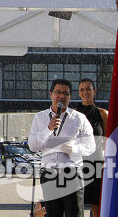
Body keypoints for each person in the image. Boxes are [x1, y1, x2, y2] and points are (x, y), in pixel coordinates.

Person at [28, 78, 95, 217]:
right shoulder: (40, 118)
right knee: (53, 214)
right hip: (49, 174)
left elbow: (91, 146)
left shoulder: (79, 118)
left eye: (66, 93)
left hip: (72, 174)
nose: (62, 96)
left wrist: (74, 149)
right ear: (50, 94)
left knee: (74, 214)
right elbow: (33, 146)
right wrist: (48, 129)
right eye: (58, 92)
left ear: (70, 97)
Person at [74, 78, 107, 217]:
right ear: (78, 93)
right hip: (77, 164)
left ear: (95, 92)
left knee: (97, 205)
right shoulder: (72, 114)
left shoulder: (103, 114)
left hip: (97, 164)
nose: (85, 92)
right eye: (82, 89)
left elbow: (108, 141)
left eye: (88, 89)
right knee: (75, 203)